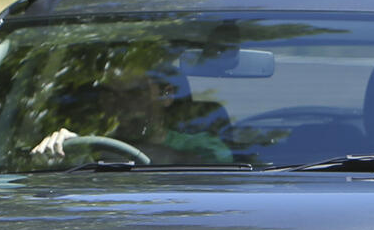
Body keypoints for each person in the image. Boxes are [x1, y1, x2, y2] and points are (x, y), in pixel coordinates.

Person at [30, 69, 232, 165]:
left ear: (166, 95)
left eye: (135, 93)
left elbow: (220, 173)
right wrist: (61, 153)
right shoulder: (92, 145)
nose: (122, 104)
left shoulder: (203, 147)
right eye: (111, 95)